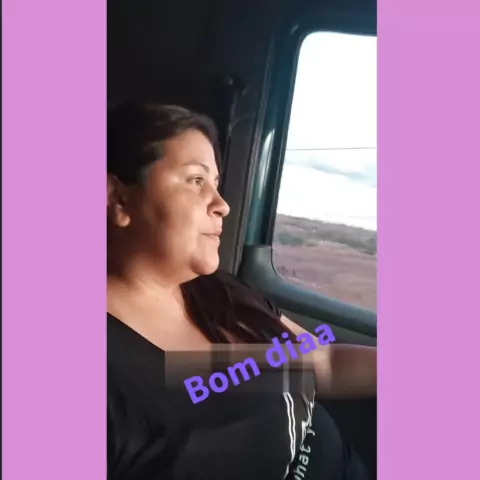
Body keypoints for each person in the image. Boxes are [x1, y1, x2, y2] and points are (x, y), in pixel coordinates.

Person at [107, 103, 376, 480]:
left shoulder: (218, 292)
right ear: (117, 198)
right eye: (196, 180)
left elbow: (324, 362)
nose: (222, 205)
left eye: (216, 184)